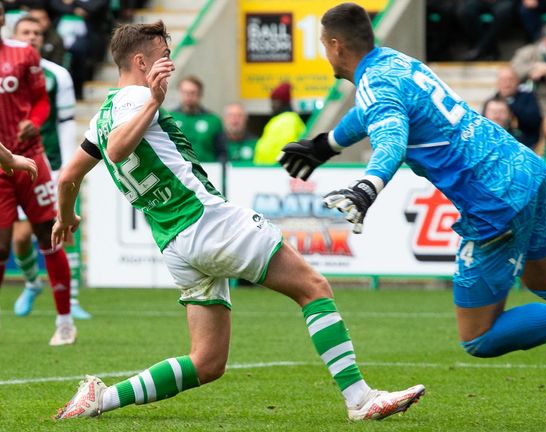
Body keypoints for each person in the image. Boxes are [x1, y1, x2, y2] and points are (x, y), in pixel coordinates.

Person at [279, 3, 546, 425]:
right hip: (525, 170)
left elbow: (390, 140)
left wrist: (367, 187)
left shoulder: (375, 85)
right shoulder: (396, 62)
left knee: (478, 337)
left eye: (323, 47)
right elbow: (375, 113)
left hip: (492, 201)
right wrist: (326, 144)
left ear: (334, 44)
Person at [53, 20, 425, 422]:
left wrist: (66, 215)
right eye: (163, 57)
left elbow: (69, 176)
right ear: (140, 61)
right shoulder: (135, 100)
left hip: (176, 243)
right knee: (313, 288)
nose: (170, 64)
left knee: (207, 362)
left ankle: (100, 398)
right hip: (208, 222)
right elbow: (119, 148)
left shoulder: (102, 114)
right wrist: (153, 101)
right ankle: (360, 399)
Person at [0, 3, 76, 346]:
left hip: (30, 160)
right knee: (3, 246)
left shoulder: (24, 55)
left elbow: (41, 101)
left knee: (49, 232)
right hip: (2, 165)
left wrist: (35, 120)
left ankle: (65, 321)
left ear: (3, 19)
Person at [10, 15, 90, 319]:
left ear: (43, 39)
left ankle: (71, 301)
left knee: (65, 230)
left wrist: (69, 166)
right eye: (25, 32)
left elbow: (65, 122)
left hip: (51, 164)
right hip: (14, 166)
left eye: (36, 33)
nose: (31, 37)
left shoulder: (57, 75)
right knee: (18, 237)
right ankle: (32, 284)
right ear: (13, 36)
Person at [171, 75, 226, 163]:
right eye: (185, 92)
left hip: (207, 171)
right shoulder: (169, 118)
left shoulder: (213, 120)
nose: (188, 96)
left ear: (200, 94)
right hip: (177, 171)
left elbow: (221, 152)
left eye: (192, 92)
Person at [253, 82, 305, 165]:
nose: (271, 105)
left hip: (275, 171)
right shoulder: (288, 119)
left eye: (273, 101)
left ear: (281, 102)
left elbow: (286, 148)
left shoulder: (287, 121)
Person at [493, 66, 541, 147]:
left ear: (517, 82)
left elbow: (534, 121)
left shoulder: (528, 97)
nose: (507, 83)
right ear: (497, 83)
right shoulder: (492, 101)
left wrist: (511, 106)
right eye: (503, 80)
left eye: (510, 80)